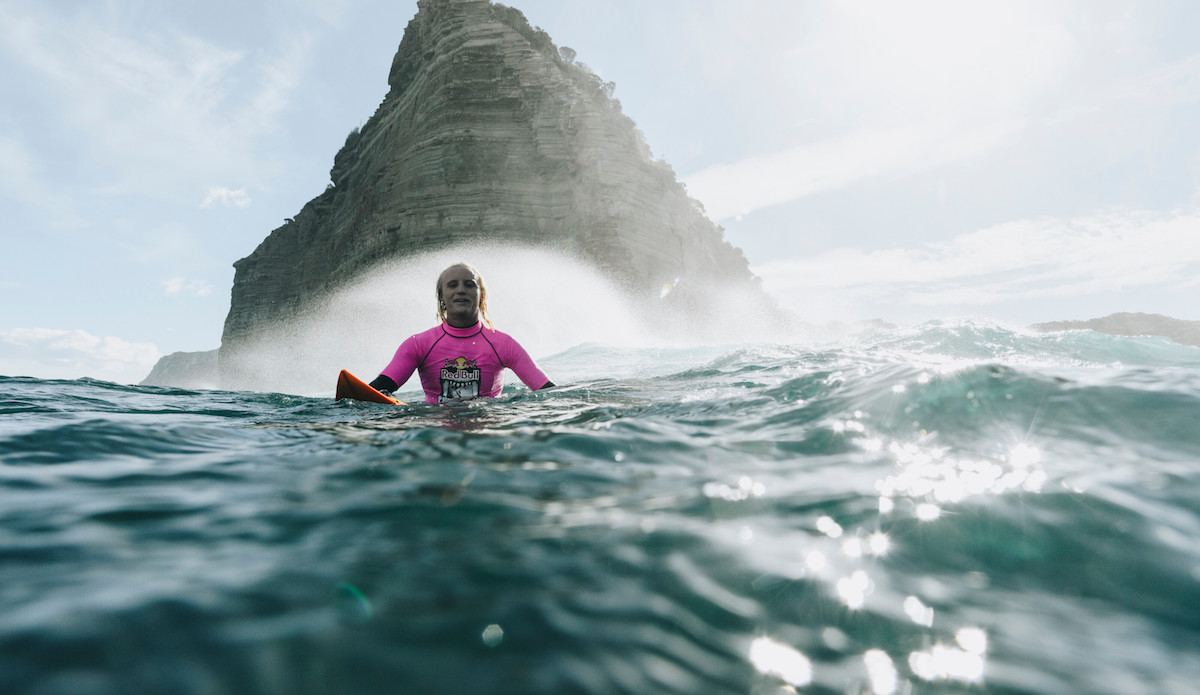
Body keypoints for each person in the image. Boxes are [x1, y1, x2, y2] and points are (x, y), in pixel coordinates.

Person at [369, 263, 554, 404]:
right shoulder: (418, 344)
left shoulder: (504, 344)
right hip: (435, 435)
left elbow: (549, 393)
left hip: (487, 432)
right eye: (452, 285)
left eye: (469, 284)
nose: (461, 290)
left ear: (481, 294)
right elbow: (378, 392)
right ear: (441, 296)